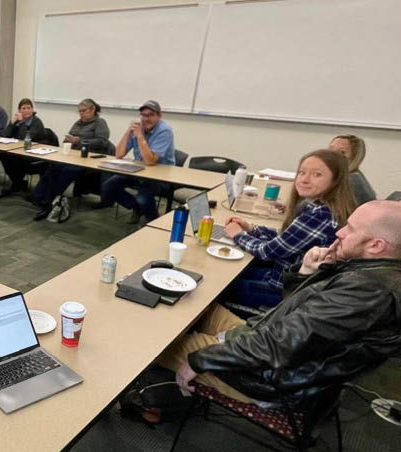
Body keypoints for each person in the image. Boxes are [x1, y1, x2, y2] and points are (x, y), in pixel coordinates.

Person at [158, 200, 401, 407]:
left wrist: (198, 360)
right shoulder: (369, 272)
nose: (339, 233)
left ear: (376, 245)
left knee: (152, 346)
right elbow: (295, 319)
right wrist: (305, 273)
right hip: (262, 342)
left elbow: (279, 346)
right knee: (198, 303)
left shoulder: (368, 292)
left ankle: (153, 389)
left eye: (351, 229)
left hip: (262, 376)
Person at [223, 149, 356, 308]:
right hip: (284, 278)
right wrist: (252, 228)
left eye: (317, 175)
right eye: (301, 172)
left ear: (335, 181)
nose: (304, 180)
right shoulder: (321, 207)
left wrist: (238, 235)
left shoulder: (320, 216)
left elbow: (267, 252)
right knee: (229, 272)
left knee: (220, 285)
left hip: (285, 293)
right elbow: (286, 239)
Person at [32, 99, 113, 222]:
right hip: (74, 156)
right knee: (53, 166)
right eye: (79, 111)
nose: (81, 114)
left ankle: (49, 201)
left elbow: (102, 142)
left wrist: (79, 141)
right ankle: (39, 196)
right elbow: (69, 137)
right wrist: (68, 141)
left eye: (84, 111)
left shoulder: (100, 123)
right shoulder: (78, 123)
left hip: (90, 159)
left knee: (67, 171)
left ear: (93, 110)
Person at [98, 100, 175, 224]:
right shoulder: (139, 128)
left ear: (159, 116)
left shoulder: (164, 131)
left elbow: (150, 161)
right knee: (108, 186)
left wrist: (140, 136)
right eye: (143, 115)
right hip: (139, 172)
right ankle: (137, 208)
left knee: (143, 198)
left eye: (150, 115)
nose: (146, 119)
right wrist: (128, 132)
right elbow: (119, 154)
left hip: (161, 176)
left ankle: (153, 221)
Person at [0, 98, 46, 194]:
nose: (26, 110)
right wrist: (12, 123)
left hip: (34, 154)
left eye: (28, 108)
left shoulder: (37, 122)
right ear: (19, 110)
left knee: (16, 160)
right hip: (19, 152)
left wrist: (22, 123)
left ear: (32, 110)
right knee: (3, 155)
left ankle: (17, 183)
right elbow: (5, 136)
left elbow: (25, 138)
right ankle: (18, 183)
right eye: (23, 108)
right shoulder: (18, 121)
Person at [329, 134, 376, 205]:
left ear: (354, 158)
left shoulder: (351, 180)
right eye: (330, 149)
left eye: (342, 152)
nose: (332, 155)